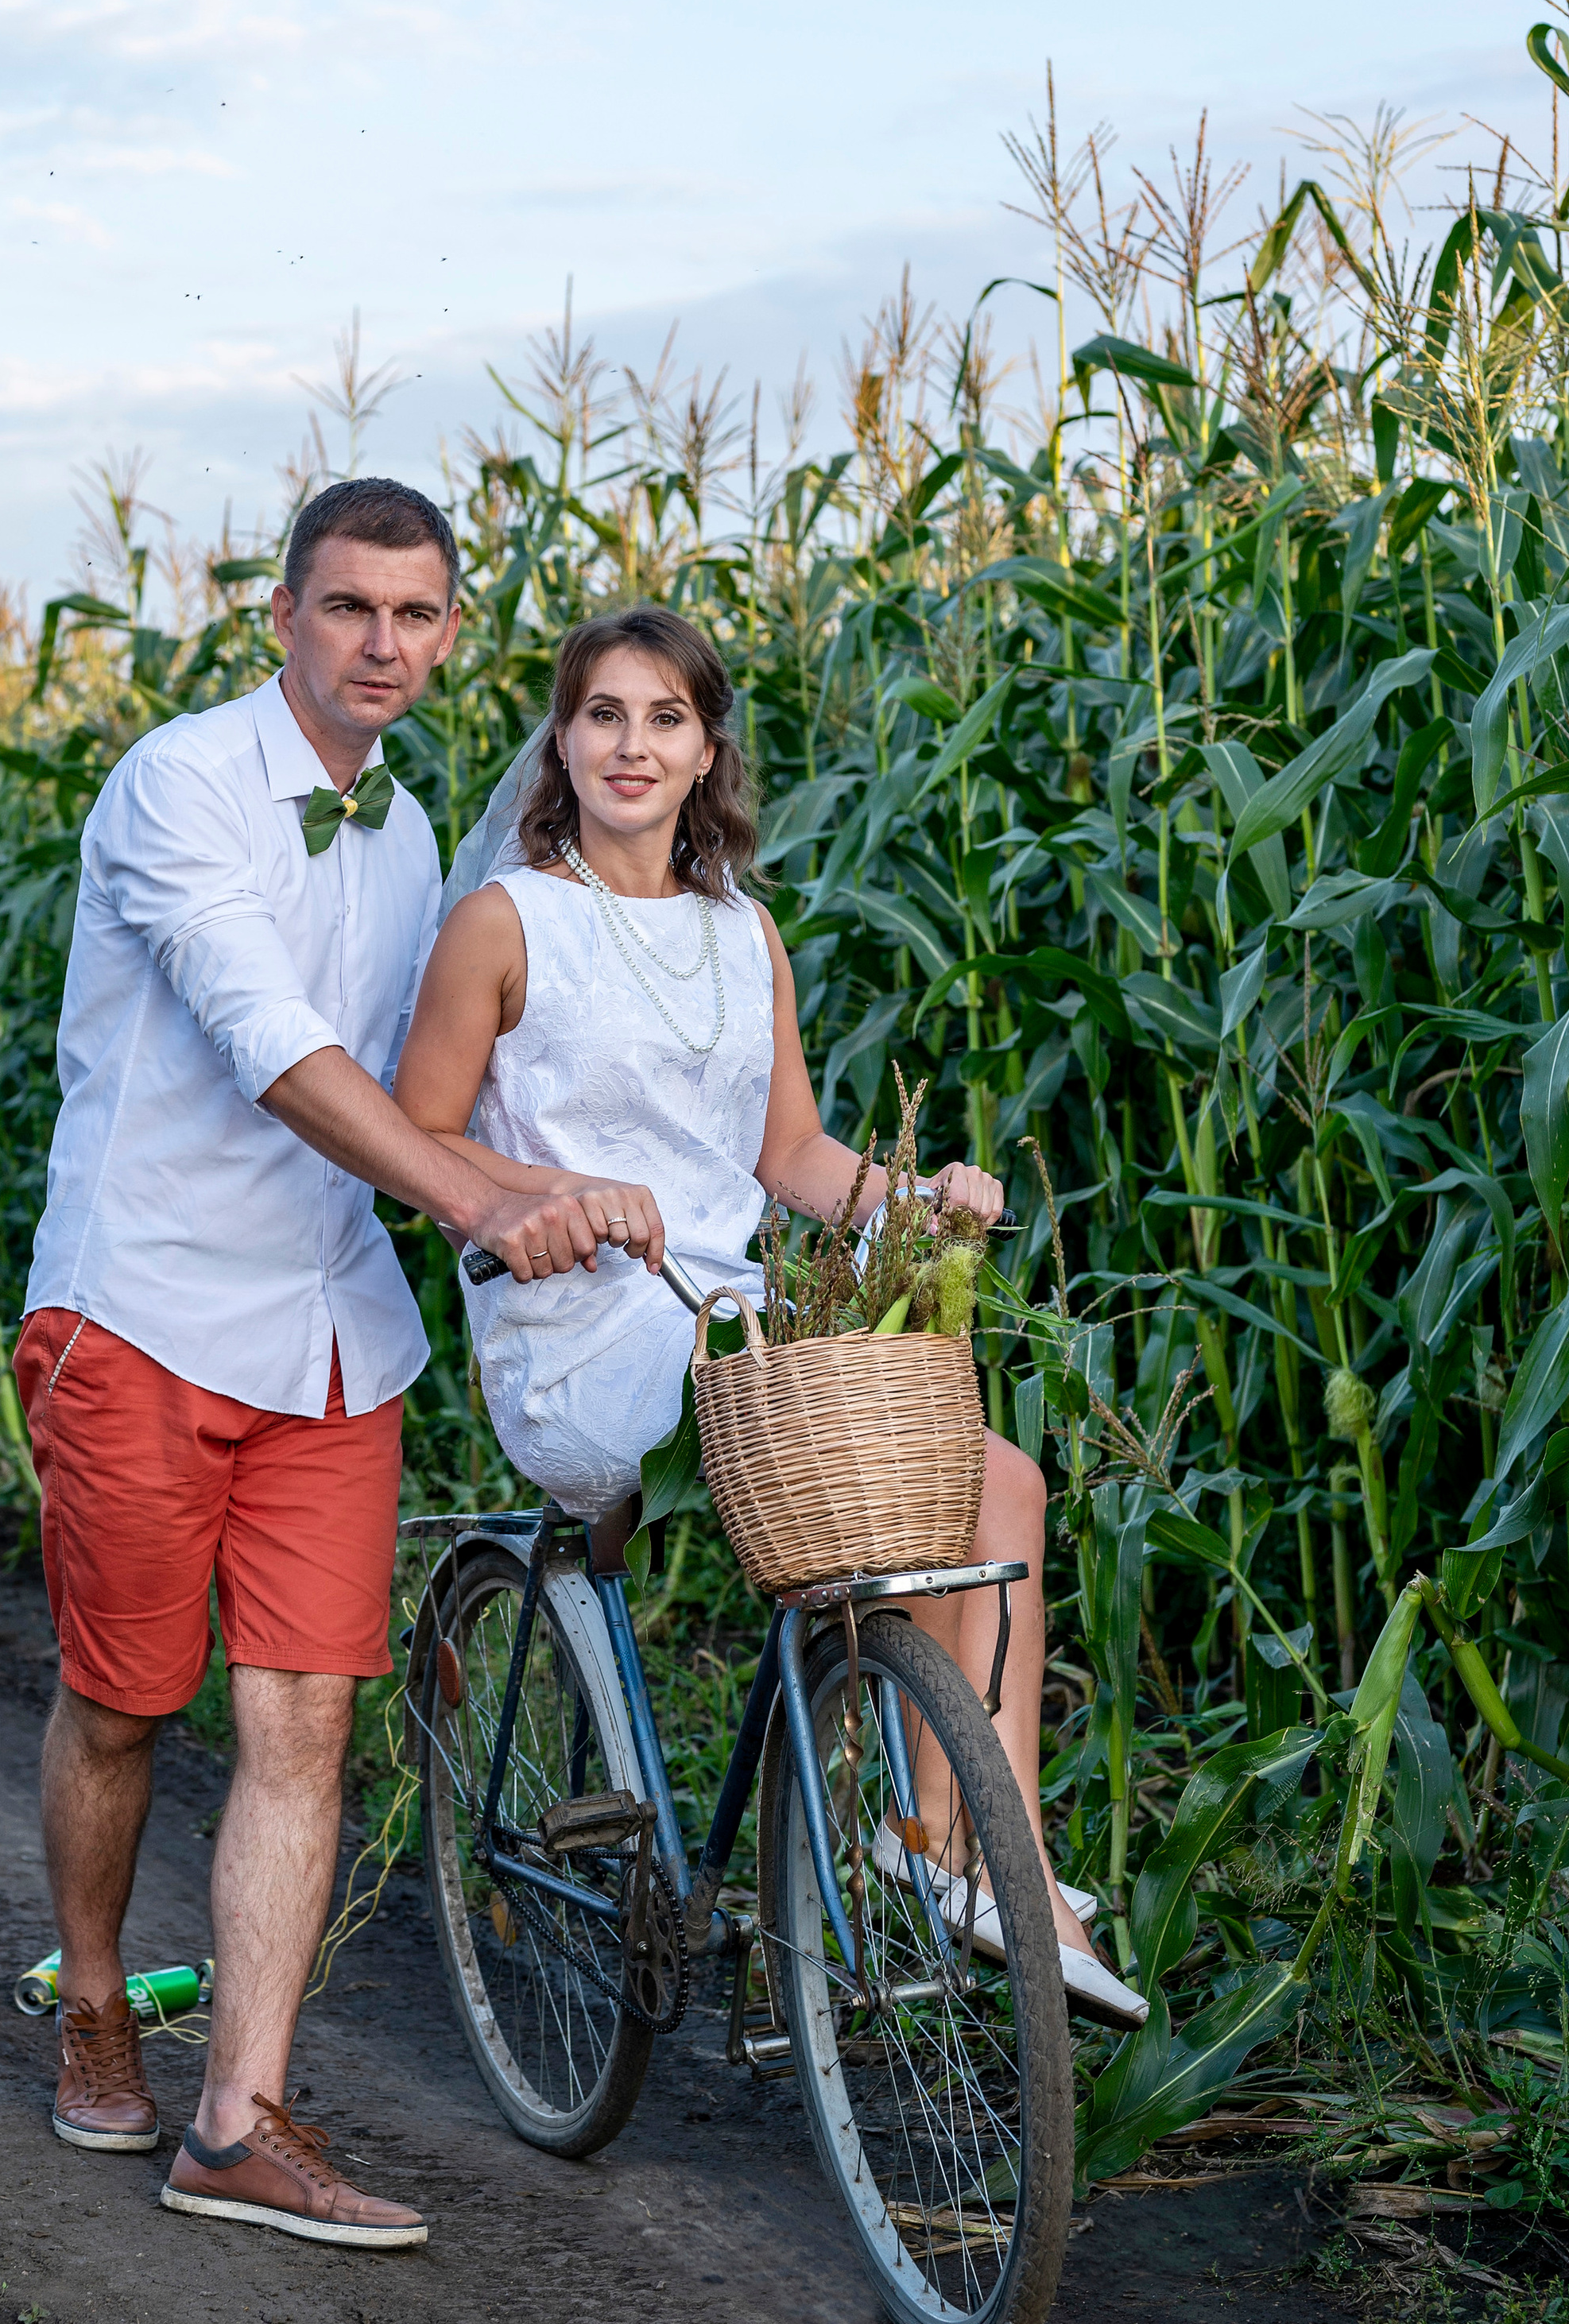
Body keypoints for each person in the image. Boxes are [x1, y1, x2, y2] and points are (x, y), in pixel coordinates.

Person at [17, 479, 661, 2248]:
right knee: (126, 1701)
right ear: (280, 617)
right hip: (140, 1313)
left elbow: (420, 1097)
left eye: (419, 613)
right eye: (350, 606)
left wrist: (575, 1193)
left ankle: (237, 2119)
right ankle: (92, 1997)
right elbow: (278, 1051)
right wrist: (473, 1195)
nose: (385, 641)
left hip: (323, 1341)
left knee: (304, 1718)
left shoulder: (406, 838)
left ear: (451, 634)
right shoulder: (179, 786)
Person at [393, 601, 1145, 2024]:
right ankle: (907, 1835)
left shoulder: (747, 934)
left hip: (727, 1318)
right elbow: (420, 1138)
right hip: (578, 1329)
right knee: (869, 1470)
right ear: (562, 740)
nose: (632, 744)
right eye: (604, 713)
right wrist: (565, 1187)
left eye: (665, 718)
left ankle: (978, 1848)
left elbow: (787, 1158)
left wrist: (915, 1198)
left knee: (1001, 1480)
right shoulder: (507, 925)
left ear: (704, 750)